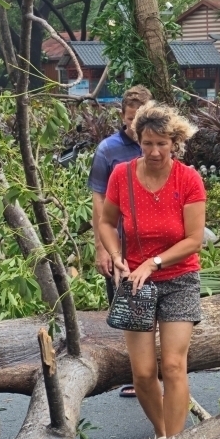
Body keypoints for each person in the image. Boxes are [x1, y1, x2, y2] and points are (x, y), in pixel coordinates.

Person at [98, 101, 206, 439]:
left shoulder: (188, 179)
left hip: (179, 279)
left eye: (162, 143)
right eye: (148, 143)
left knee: (173, 365)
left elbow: (193, 240)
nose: (155, 151)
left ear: (174, 142)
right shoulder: (122, 175)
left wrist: (153, 262)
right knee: (143, 374)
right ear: (138, 140)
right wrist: (116, 255)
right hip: (135, 286)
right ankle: (161, 435)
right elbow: (106, 222)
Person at [89, 84, 153, 305]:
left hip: (153, 244)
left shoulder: (159, 148)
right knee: (124, 312)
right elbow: (98, 200)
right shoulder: (108, 150)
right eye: (130, 119)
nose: (136, 126)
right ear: (122, 116)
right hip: (120, 245)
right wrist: (101, 248)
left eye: (141, 120)